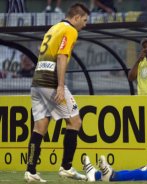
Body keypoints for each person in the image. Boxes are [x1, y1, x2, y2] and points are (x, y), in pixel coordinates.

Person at [24, 3, 90, 182]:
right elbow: (62, 56)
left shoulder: (54, 28)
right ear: (76, 18)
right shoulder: (70, 30)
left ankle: (30, 171)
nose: (84, 25)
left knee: (40, 127)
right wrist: (60, 85)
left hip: (37, 81)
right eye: (84, 21)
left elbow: (42, 51)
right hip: (50, 82)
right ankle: (66, 167)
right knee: (75, 121)